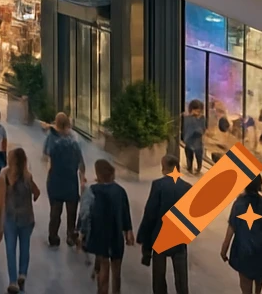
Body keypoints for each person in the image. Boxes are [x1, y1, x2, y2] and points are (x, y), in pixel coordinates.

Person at [220, 174, 262, 294]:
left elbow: (231, 229)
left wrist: (224, 250)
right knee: (259, 284)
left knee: (246, 288)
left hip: (243, 254)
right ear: (260, 186)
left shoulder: (238, 205)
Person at [136, 154, 192, 294]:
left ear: (164, 167)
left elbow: (150, 214)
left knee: (159, 277)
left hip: (160, 236)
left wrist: (144, 239)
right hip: (179, 238)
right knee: (181, 277)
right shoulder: (187, 187)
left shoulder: (158, 185)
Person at [79, 159, 134, 294]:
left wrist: (82, 232)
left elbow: (85, 214)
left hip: (99, 234)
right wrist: (128, 231)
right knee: (117, 271)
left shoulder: (92, 190)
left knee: (103, 267)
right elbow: (125, 212)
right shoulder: (120, 191)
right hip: (116, 235)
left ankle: (102, 291)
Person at [0, 147, 41, 294]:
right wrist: (30, 197)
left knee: (10, 249)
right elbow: (37, 193)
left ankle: (13, 281)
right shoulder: (28, 177)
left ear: (12, 160)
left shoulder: (5, 175)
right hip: (27, 218)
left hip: (10, 218)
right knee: (24, 247)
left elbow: (1, 199)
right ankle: (22, 274)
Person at [43, 112, 86, 247]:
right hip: (71, 180)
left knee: (55, 211)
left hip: (55, 179)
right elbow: (81, 162)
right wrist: (82, 178)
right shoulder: (74, 139)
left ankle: (53, 236)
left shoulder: (52, 138)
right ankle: (70, 235)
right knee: (72, 210)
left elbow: (46, 155)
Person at [181, 99, 205, 174]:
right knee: (189, 155)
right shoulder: (187, 118)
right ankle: (189, 166)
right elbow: (185, 127)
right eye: (196, 111)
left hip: (198, 141)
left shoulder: (201, 118)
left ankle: (198, 168)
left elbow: (202, 129)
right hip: (189, 141)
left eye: (199, 111)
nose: (198, 113)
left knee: (198, 156)